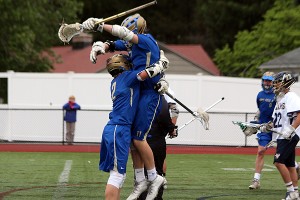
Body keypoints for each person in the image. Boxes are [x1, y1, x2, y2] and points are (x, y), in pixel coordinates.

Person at [82, 13, 178, 200]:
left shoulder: (144, 42)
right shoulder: (130, 71)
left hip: (148, 94)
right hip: (143, 91)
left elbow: (122, 35)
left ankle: (152, 177)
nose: (128, 58)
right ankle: (142, 180)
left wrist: (100, 27)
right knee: (136, 141)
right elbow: (119, 43)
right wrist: (104, 45)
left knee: (138, 139)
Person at [260, 71, 300, 199]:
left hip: (288, 135)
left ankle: (291, 192)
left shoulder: (291, 96)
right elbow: (275, 121)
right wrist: (265, 127)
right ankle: (296, 193)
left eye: (277, 82)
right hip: (282, 135)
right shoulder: (280, 99)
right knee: (290, 165)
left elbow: (299, 114)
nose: (275, 84)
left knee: (278, 162)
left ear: (285, 82)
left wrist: (292, 129)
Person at [138, 96, 178, 200]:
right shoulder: (160, 98)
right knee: (156, 171)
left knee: (141, 171)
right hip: (155, 138)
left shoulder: (141, 94)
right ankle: (155, 197)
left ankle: (143, 196)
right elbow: (168, 113)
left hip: (140, 138)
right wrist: (171, 128)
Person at [248, 71, 276, 189]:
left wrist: (274, 124)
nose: (266, 83)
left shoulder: (278, 96)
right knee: (260, 151)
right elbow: (260, 110)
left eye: (269, 80)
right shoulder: (259, 95)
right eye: (265, 80)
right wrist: (256, 120)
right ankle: (256, 180)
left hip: (277, 129)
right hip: (264, 128)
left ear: (273, 82)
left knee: (281, 156)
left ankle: (295, 169)